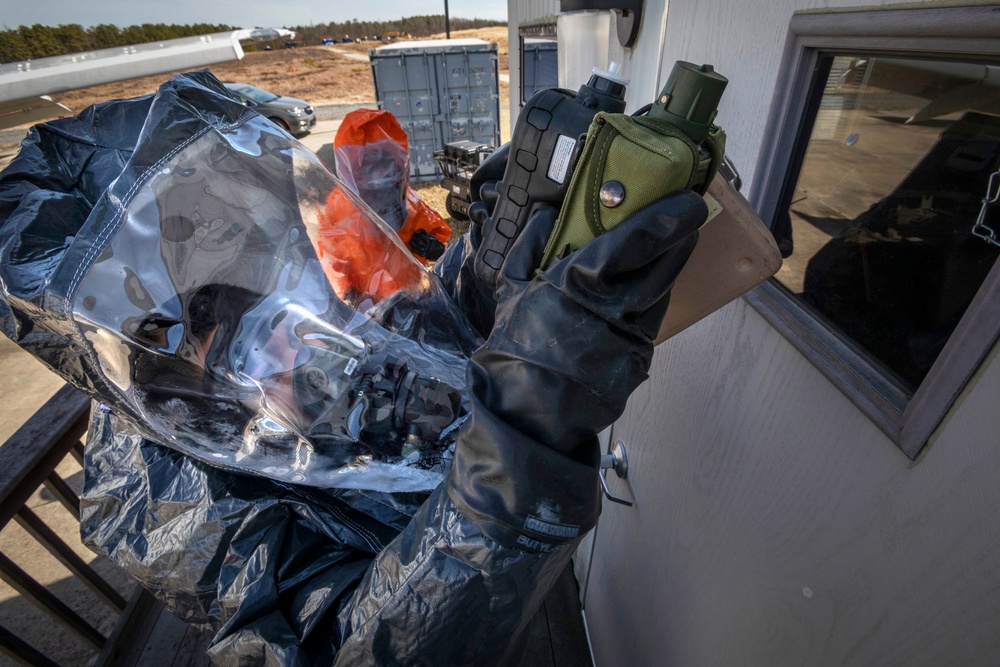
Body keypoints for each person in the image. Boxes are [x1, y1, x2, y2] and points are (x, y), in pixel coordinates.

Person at [0, 70, 708, 665]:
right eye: (211, 325)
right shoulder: (149, 494)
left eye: (252, 280)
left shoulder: (295, 306)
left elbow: (422, 343)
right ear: (124, 340)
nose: (282, 331)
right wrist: (521, 435)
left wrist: (493, 260)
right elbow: (356, 645)